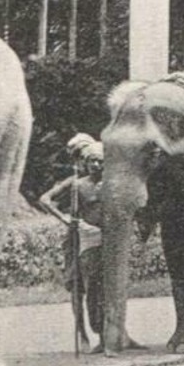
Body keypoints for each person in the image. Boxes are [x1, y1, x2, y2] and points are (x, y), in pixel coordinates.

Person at [35, 137, 109, 352]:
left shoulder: (104, 180)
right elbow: (45, 199)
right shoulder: (74, 182)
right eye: (81, 155)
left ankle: (105, 334)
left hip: (97, 235)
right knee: (77, 286)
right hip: (76, 237)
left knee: (99, 285)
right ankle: (82, 333)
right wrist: (66, 219)